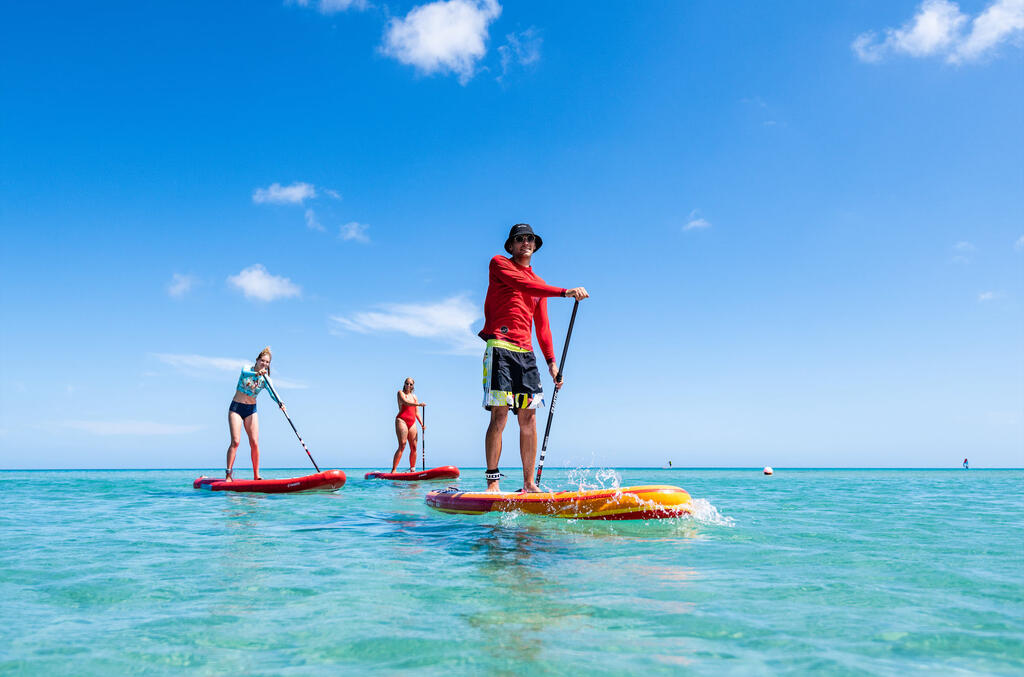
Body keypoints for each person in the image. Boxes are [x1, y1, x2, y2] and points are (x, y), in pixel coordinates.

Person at [479, 223, 589, 492]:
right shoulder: (499, 264)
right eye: (519, 239)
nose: (525, 242)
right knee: (500, 416)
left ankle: (529, 484)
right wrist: (565, 292)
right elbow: (521, 283)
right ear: (511, 245)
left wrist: (552, 363)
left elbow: (542, 326)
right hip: (500, 347)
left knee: (528, 419)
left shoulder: (539, 286)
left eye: (529, 238)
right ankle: (492, 483)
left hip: (526, 355)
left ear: (535, 244)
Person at [226, 347, 286, 481]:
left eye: (267, 362)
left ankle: (256, 475)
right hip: (236, 408)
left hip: (251, 410)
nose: (264, 364)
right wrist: (258, 374)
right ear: (257, 360)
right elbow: (244, 372)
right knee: (235, 441)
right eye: (262, 361)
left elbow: (273, 393)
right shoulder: (247, 369)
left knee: (254, 443)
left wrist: (280, 403)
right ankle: (228, 474)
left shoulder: (266, 379)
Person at [392, 377, 425, 473]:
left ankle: (412, 470)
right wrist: (418, 404)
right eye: (407, 383)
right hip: (402, 420)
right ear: (404, 384)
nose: (408, 385)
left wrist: (422, 424)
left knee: (414, 447)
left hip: (412, 422)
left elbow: (417, 412)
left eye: (411, 384)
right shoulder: (400, 393)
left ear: (413, 386)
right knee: (402, 445)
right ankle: (394, 470)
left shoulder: (414, 397)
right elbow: (406, 402)